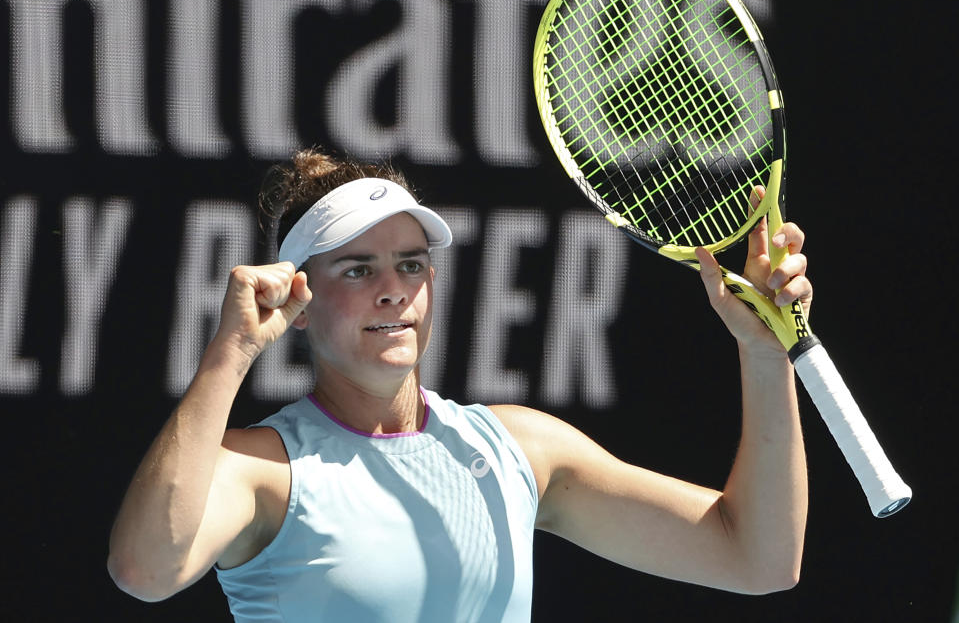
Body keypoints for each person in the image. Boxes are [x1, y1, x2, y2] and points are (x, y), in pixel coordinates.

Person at [107, 148, 810, 622]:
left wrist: (761, 352)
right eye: (356, 270)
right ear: (297, 299)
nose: (393, 292)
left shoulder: (520, 448)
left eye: (410, 266)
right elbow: (145, 570)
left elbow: (755, 557)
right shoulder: (258, 472)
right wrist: (230, 352)